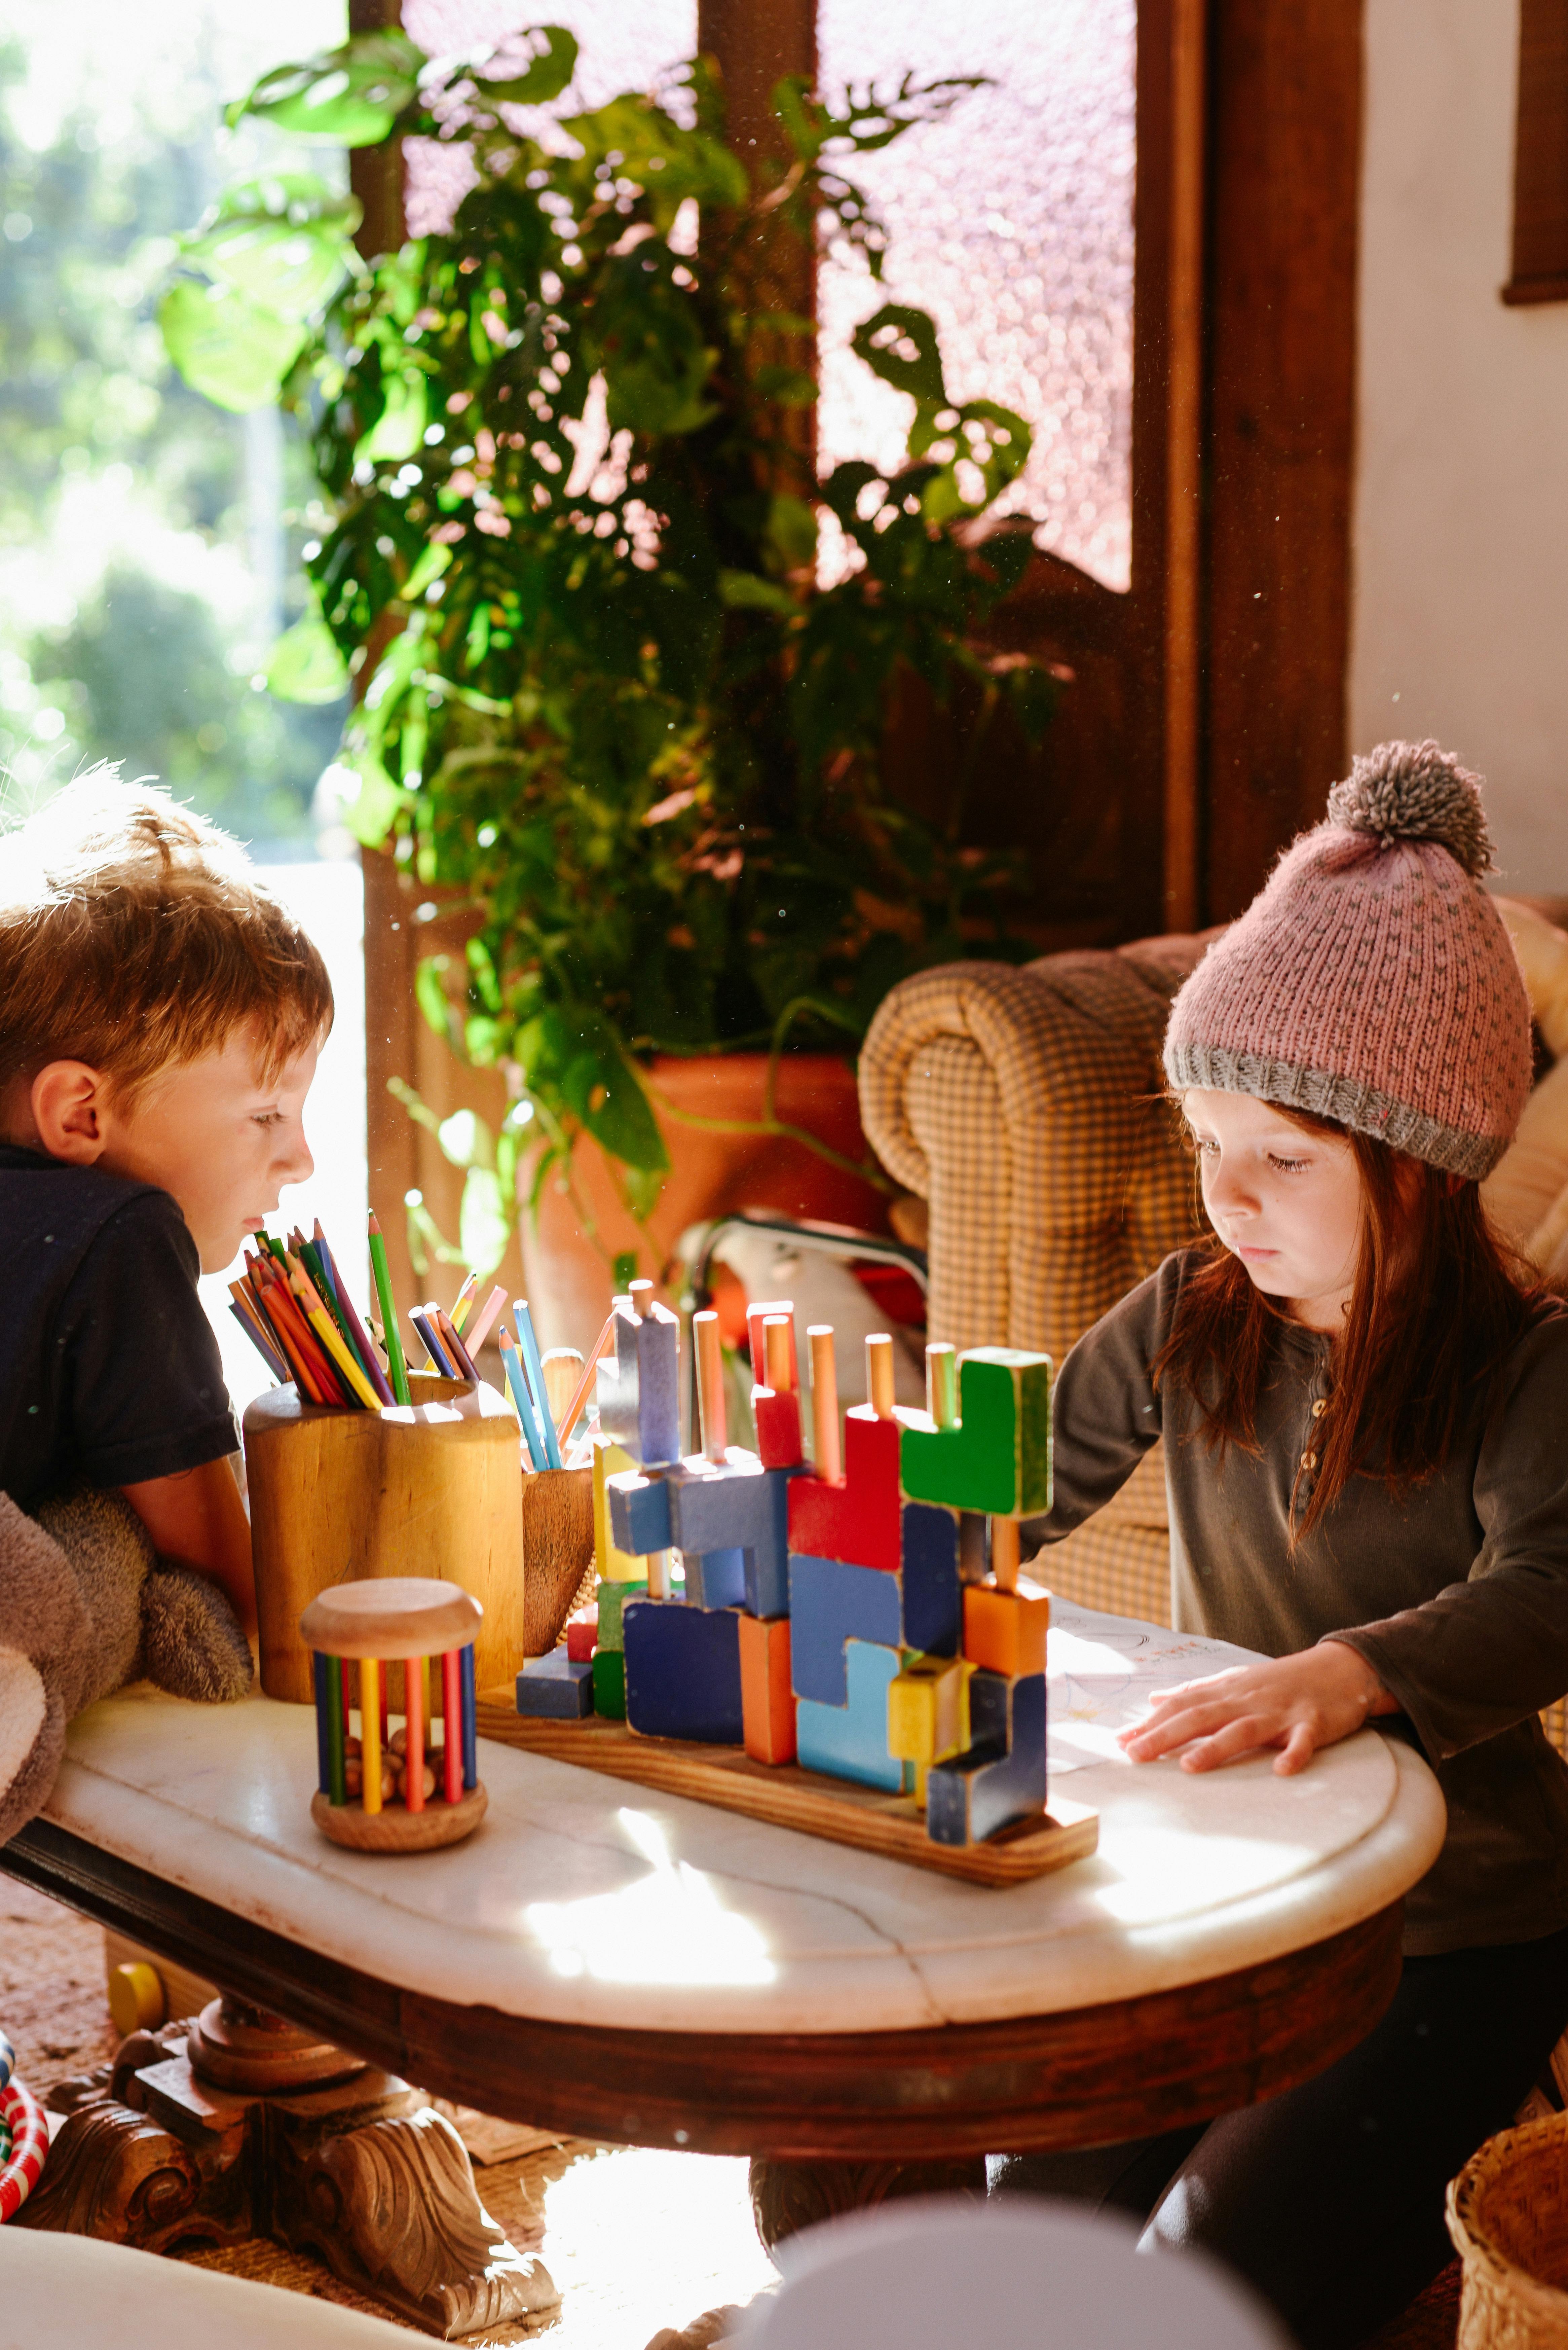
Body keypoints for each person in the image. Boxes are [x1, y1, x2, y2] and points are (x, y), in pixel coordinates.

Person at [997, 741, 1568, 2349]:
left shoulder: (1533, 1363)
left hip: (1457, 1929)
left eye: (1285, 1159)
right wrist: (859, 1518)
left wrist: (1355, 1672)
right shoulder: (1191, 1315)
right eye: (1209, 1144)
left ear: (1421, 1159)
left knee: (1215, 2288)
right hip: (1226, 1900)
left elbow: (1553, 1595)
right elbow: (1013, 1485)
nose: (1230, 1198)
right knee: (1025, 2226)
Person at [0, 772, 332, 1636]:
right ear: (81, 1113)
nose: (301, 1159)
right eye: (265, 1116)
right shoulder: (122, 1237)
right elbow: (235, 1588)